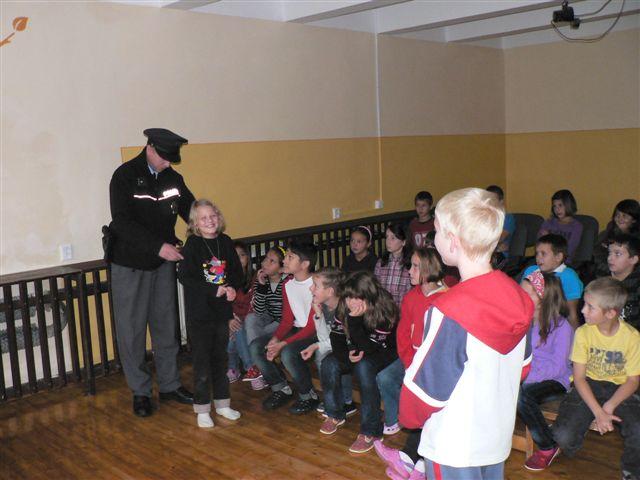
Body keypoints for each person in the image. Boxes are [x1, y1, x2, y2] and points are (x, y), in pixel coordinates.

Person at [400, 188, 533, 480]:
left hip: (453, 443)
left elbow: (427, 389)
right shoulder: (519, 297)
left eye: (436, 231)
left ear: (452, 240)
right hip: (495, 436)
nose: (434, 238)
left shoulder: (448, 310)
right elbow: (523, 368)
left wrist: (407, 416)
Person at [108, 128, 194, 417]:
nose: (168, 163)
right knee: (132, 332)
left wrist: (207, 227)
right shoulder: (124, 176)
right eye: (165, 158)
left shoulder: (172, 178)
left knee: (166, 327)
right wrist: (159, 247)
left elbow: (191, 210)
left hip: (162, 265)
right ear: (151, 148)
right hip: (130, 264)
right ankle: (141, 392)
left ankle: (170, 385)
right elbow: (121, 223)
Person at [550, 278, 640, 479]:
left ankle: (632, 472)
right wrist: (598, 412)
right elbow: (579, 378)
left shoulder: (632, 337)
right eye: (584, 304)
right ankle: (579, 425)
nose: (583, 310)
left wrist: (608, 407)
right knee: (563, 437)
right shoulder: (583, 333)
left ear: (610, 313)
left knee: (638, 429)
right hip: (588, 384)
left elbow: (633, 381)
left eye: (590, 307)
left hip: (619, 388)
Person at [374, 247, 448, 477]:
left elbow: (443, 346)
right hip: (413, 361)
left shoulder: (446, 298)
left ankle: (415, 463)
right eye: (411, 265)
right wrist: (409, 364)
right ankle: (412, 463)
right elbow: (403, 334)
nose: (409, 271)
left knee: (427, 412)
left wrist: (420, 368)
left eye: (415, 266)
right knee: (389, 379)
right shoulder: (411, 296)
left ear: (429, 268)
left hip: (435, 367)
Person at [177, 200, 243, 428]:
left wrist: (232, 287)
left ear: (219, 217)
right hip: (200, 313)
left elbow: (236, 272)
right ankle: (202, 408)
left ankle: (223, 404)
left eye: (212, 216)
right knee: (202, 361)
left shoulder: (225, 241)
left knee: (220, 359)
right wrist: (213, 289)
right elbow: (185, 277)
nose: (209, 221)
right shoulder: (193, 245)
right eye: (203, 218)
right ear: (195, 223)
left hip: (221, 312)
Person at [319, 271, 399, 454]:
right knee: (329, 363)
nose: (351, 302)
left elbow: (370, 349)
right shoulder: (344, 306)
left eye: (357, 298)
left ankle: (371, 431)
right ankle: (334, 413)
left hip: (385, 352)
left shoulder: (385, 308)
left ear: (369, 296)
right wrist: (345, 356)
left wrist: (354, 321)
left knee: (364, 367)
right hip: (359, 348)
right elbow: (336, 336)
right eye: (348, 297)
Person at [251, 240, 321, 414]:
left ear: (304, 264)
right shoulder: (288, 285)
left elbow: (312, 327)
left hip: (317, 333)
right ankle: (281, 388)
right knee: (256, 346)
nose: (285, 260)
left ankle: (308, 395)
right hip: (297, 330)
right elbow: (287, 320)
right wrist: (275, 339)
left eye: (290, 257)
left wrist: (283, 344)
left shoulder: (317, 284)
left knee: (288, 353)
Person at [517, 271, 574, 471]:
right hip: (525, 375)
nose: (520, 296)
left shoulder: (561, 326)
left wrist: (525, 376)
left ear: (542, 299)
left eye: (526, 293)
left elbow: (558, 367)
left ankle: (547, 446)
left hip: (556, 381)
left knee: (522, 396)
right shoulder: (523, 320)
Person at [300, 267, 357, 418]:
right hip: (338, 345)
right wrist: (318, 315)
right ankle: (333, 398)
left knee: (325, 356)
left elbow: (343, 342)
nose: (311, 289)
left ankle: (345, 401)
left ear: (330, 291)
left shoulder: (346, 307)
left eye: (316, 286)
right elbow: (325, 338)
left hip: (354, 349)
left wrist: (316, 346)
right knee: (322, 353)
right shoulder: (324, 306)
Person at [242, 245, 287, 390]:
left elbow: (287, 316)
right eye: (266, 258)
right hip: (269, 318)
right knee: (250, 319)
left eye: (272, 261)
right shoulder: (261, 280)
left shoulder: (287, 281)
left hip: (284, 322)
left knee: (252, 334)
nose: (266, 262)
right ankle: (258, 366)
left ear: (281, 268)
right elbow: (259, 311)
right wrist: (261, 285)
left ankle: (257, 365)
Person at [522, 234, 583, 329]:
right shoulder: (531, 270)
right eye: (537, 253)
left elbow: (571, 314)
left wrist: (576, 336)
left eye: (543, 254)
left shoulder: (569, 277)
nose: (538, 258)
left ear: (558, 257)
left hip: (555, 325)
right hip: (528, 319)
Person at [226, 241, 255, 384]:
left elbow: (256, 305)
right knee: (234, 332)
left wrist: (238, 322)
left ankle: (235, 368)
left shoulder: (255, 278)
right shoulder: (225, 279)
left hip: (250, 320)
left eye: (242, 255)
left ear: (248, 258)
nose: (238, 259)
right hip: (232, 319)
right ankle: (250, 369)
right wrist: (229, 319)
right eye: (235, 256)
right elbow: (223, 305)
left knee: (236, 333)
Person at [592, 199, 640, 277]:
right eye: (617, 215)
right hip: (605, 271)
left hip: (630, 275)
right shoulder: (607, 233)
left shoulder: (636, 239)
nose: (619, 218)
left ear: (634, 220)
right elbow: (596, 254)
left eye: (624, 216)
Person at [538, 189, 583, 265]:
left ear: (569, 205)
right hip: (544, 261)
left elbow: (569, 250)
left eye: (560, 205)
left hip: (563, 263)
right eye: (554, 206)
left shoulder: (576, 226)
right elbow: (539, 246)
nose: (557, 209)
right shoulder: (548, 223)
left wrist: (549, 238)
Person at [604, 234, 640, 330]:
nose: (610, 258)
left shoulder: (637, 284)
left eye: (617, 254)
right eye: (609, 253)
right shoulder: (601, 275)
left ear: (633, 259)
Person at [375, 223, 412, 307]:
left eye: (393, 238)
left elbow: (411, 292)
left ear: (403, 242)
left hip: (403, 309)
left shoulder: (410, 263)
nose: (388, 241)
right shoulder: (381, 263)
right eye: (387, 237)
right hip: (384, 309)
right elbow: (376, 288)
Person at [486, 185, 516, 257]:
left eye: (493, 200)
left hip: (500, 255)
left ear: (501, 201)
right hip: (485, 253)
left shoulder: (508, 218)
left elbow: (498, 239)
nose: (489, 203)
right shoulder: (483, 217)